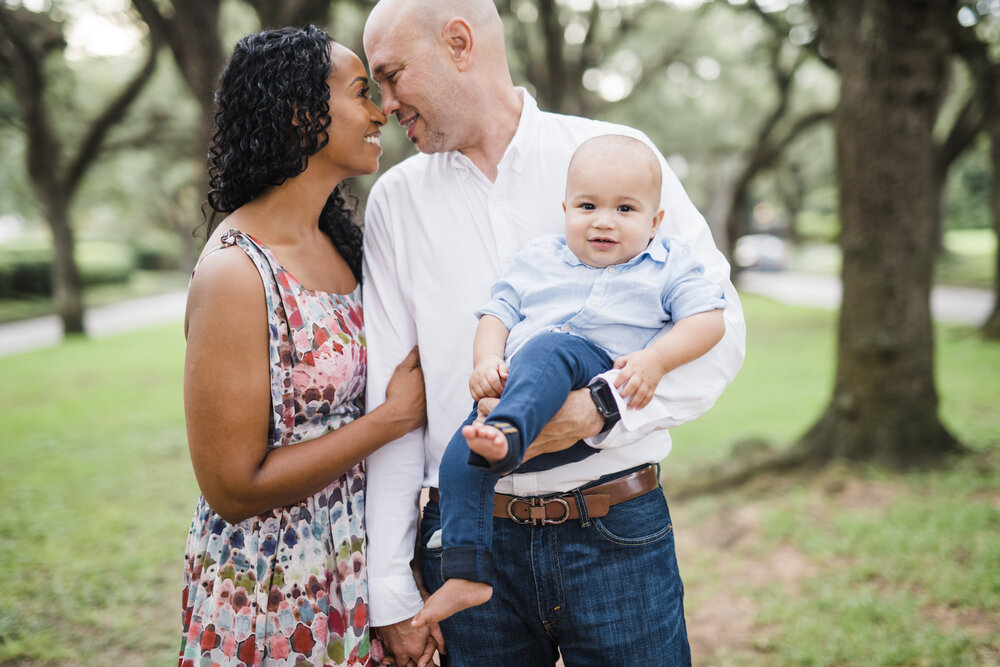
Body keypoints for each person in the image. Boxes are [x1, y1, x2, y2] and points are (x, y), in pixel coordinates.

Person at [361, 1, 747, 664]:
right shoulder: (395, 201)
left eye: (393, 76)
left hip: (616, 530)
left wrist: (599, 409)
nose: (385, 103)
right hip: (468, 540)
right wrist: (391, 587)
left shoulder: (617, 163)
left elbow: (720, 332)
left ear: (459, 43)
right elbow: (394, 405)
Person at [180, 26, 430, 667]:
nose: (382, 112)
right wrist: (392, 420)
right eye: (360, 93)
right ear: (300, 111)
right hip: (275, 587)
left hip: (354, 565)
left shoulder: (343, 243)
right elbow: (233, 487)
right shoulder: (236, 273)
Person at [415, 134, 727, 626]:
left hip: (588, 374)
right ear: (565, 209)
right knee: (458, 459)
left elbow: (709, 321)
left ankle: (509, 436)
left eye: (625, 209)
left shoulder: (669, 264)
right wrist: (486, 360)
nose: (603, 220)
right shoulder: (539, 258)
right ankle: (466, 572)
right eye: (588, 205)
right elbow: (497, 312)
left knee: (550, 346)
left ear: (655, 221)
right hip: (520, 392)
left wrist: (655, 361)